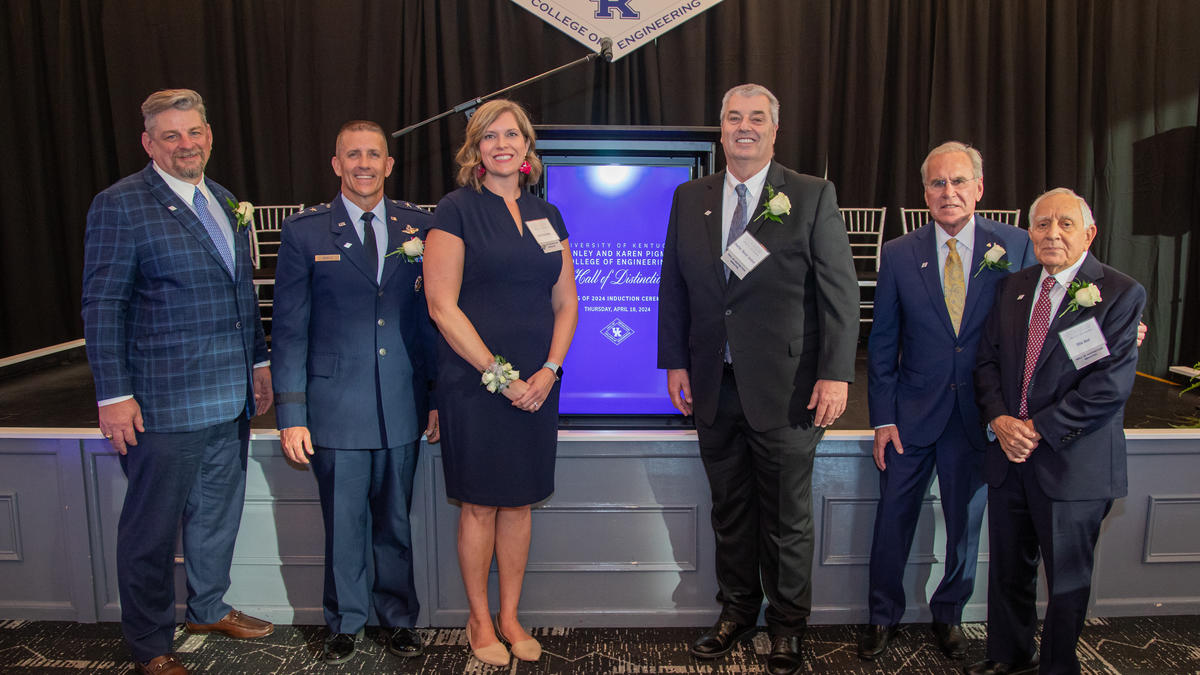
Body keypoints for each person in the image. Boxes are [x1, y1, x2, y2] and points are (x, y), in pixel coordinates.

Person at [657, 83, 860, 675]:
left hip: (790, 388)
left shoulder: (811, 195)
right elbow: (675, 285)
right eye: (733, 118)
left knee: (786, 517)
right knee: (731, 509)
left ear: (775, 130)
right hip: (712, 386)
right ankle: (737, 612)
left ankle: (788, 627)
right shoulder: (689, 196)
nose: (744, 127)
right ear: (720, 129)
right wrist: (674, 361)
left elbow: (839, 293)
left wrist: (836, 375)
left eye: (757, 118)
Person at [81, 89, 273, 675]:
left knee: (217, 513)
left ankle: (208, 606)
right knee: (152, 531)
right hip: (162, 406)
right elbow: (101, 305)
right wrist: (114, 396)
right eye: (171, 136)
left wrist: (259, 364)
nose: (185, 144)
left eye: (194, 133)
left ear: (209, 136)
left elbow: (242, 296)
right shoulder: (121, 204)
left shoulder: (224, 199)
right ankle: (149, 644)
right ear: (149, 143)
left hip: (229, 397)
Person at [859, 142, 1036, 661]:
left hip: (981, 418)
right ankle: (881, 616)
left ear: (980, 189)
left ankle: (949, 615)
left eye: (959, 182)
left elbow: (1070, 279)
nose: (949, 192)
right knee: (892, 520)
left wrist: (1120, 319)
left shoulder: (1019, 245)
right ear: (924, 194)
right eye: (938, 183)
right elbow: (883, 343)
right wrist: (883, 418)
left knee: (965, 528)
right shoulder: (896, 253)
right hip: (910, 417)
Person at [270, 120, 439, 664]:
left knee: (395, 521)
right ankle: (345, 622)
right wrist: (291, 412)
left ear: (389, 165)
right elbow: (289, 329)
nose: (364, 163)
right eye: (352, 155)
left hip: (401, 401)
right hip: (334, 406)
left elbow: (430, 322)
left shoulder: (419, 226)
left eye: (374, 155)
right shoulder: (304, 233)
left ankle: (397, 619)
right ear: (336, 164)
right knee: (344, 523)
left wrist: (434, 397)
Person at [423, 99, 578, 668]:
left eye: (512, 134)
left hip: (539, 384)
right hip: (474, 383)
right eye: (490, 137)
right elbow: (442, 307)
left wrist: (549, 371)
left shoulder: (549, 214)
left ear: (528, 147)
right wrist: (500, 376)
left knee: (520, 504)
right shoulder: (456, 209)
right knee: (481, 506)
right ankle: (479, 619)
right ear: (475, 150)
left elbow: (566, 303)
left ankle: (511, 615)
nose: (502, 144)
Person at [968, 188, 1145, 675]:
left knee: (1067, 583)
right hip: (1010, 455)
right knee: (1008, 570)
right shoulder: (1013, 287)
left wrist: (1036, 429)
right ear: (1030, 233)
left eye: (1065, 224)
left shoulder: (1120, 293)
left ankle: (1058, 667)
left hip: (1073, 464)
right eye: (1043, 224)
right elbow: (986, 364)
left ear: (1090, 233)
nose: (1052, 234)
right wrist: (1001, 421)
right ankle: (1008, 656)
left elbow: (1108, 388)